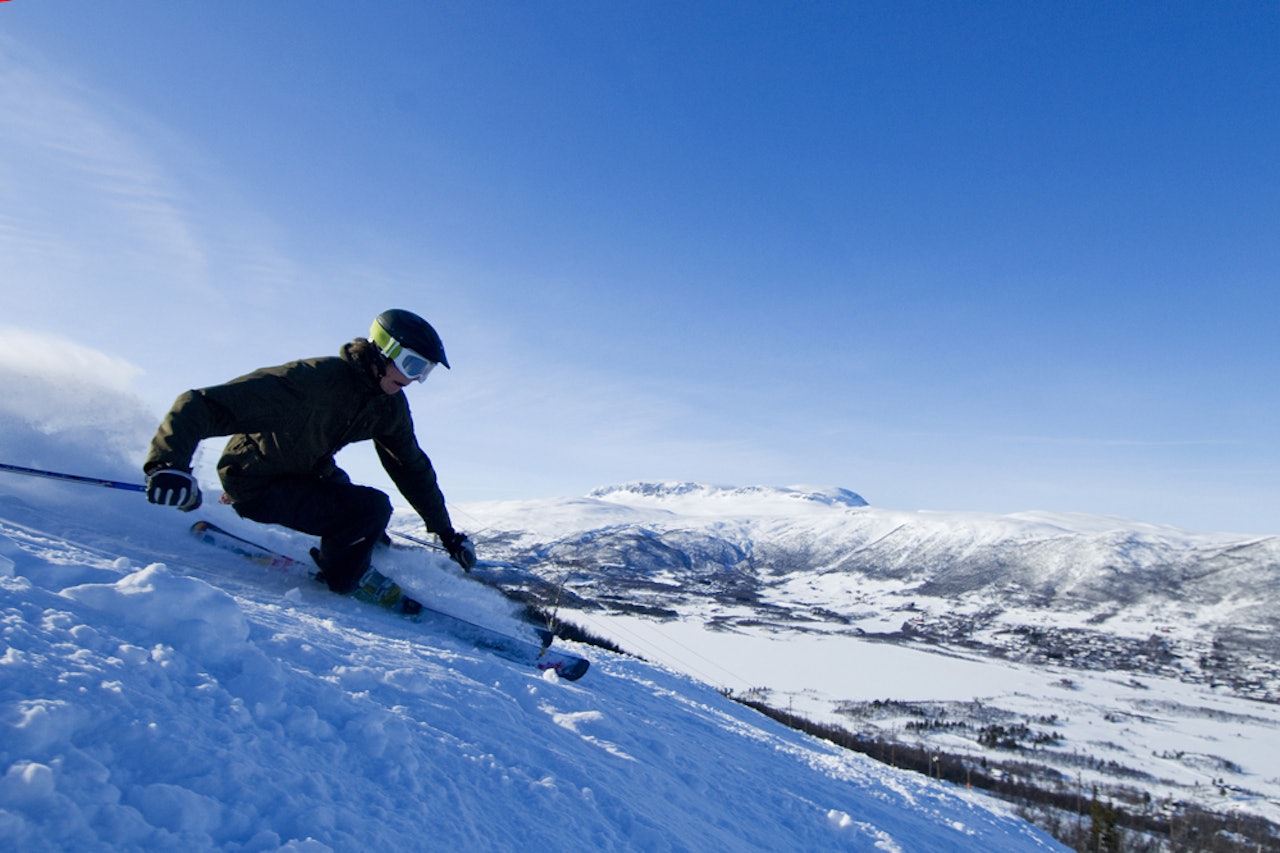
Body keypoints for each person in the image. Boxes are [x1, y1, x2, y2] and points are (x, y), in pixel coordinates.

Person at [143, 309, 477, 595]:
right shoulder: (309, 382)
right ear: (382, 351)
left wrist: (447, 535)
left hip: (305, 473)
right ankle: (341, 580)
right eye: (412, 364)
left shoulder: (387, 405)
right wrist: (169, 465)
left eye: (425, 371)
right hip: (256, 482)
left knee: (368, 524)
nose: (415, 378)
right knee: (371, 508)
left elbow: (411, 467)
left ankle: (352, 555)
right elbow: (200, 404)